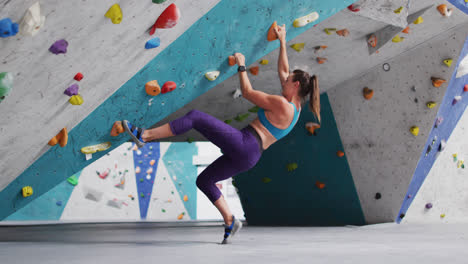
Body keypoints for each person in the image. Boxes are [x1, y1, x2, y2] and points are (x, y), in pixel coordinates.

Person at [122, 24, 320, 244]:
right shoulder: (296, 108)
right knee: (205, 180)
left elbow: (247, 92)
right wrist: (282, 41)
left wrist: (242, 66)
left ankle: (145, 136)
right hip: (250, 156)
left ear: (296, 85)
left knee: (195, 117)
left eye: (287, 80)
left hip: (246, 144)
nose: (283, 80)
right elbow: (284, 70)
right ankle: (230, 219)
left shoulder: (282, 105)